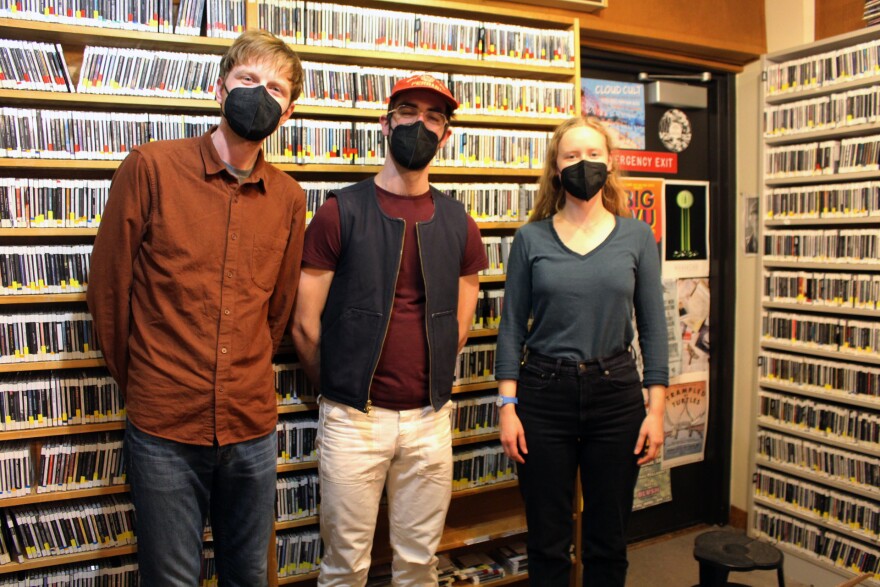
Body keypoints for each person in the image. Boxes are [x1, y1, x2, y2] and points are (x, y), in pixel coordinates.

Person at [86, 30, 306, 586]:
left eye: (276, 89)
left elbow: (277, 312)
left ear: (290, 111)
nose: (261, 95)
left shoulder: (288, 198)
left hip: (250, 428)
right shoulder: (151, 168)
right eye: (248, 80)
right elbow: (109, 293)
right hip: (164, 427)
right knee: (172, 579)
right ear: (218, 89)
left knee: (249, 577)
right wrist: (148, 383)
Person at [291, 73, 488, 586]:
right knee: (345, 565)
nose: (420, 125)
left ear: (446, 136)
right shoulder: (339, 212)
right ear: (385, 123)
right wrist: (339, 389)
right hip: (354, 419)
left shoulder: (460, 222)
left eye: (434, 117)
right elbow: (305, 326)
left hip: (430, 418)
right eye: (408, 112)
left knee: (420, 563)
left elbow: (462, 316)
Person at [494, 116, 668, 587]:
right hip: (542, 397)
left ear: (610, 164)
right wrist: (507, 407)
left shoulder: (636, 238)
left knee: (607, 543)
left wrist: (656, 410)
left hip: (616, 398)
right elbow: (511, 327)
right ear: (555, 168)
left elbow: (653, 327)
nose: (583, 164)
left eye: (593, 154)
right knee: (548, 543)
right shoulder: (531, 239)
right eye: (571, 156)